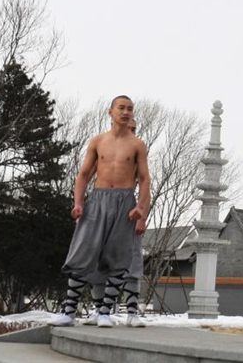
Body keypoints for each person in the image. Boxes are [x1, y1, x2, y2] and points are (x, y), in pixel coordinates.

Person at [49, 95, 151, 327]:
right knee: (82, 252)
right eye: (122, 108)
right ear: (111, 112)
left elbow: (145, 179)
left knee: (118, 258)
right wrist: (78, 203)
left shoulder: (137, 145)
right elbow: (84, 174)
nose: (126, 112)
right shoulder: (97, 141)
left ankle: (105, 311)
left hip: (124, 201)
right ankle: (68, 312)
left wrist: (140, 207)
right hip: (98, 199)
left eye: (130, 109)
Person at [83, 118, 147, 328]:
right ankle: (100, 309)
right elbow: (84, 175)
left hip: (127, 215)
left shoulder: (136, 153)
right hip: (101, 212)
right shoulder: (102, 147)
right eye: (129, 128)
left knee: (130, 264)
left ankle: (131, 311)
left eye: (134, 129)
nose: (131, 131)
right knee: (99, 264)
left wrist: (142, 217)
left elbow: (147, 186)